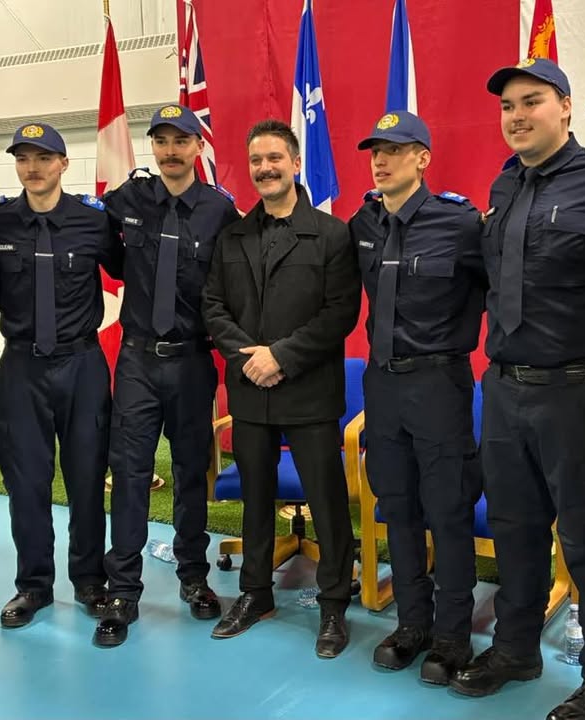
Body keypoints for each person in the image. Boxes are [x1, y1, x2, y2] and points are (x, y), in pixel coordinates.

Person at [448, 58, 585, 720]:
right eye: (507, 106)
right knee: (515, 530)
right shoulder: (505, 184)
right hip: (504, 389)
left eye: (531, 102)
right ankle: (515, 650)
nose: (517, 115)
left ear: (565, 107)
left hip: (575, 394)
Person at [202, 119, 360, 658]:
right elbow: (213, 306)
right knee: (255, 500)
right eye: (256, 160)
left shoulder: (332, 233)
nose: (264, 168)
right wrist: (249, 358)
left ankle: (334, 604)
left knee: (327, 502)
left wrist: (281, 358)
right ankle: (255, 594)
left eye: (274, 158)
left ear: (295, 163)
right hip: (250, 389)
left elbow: (340, 312)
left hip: (309, 391)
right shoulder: (233, 236)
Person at [94, 105, 240, 648]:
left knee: (190, 471)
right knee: (130, 473)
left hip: (191, 360)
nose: (171, 151)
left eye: (181, 141)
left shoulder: (220, 210)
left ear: (199, 147)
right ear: (152, 147)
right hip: (137, 360)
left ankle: (194, 576)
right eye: (161, 141)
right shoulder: (127, 200)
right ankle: (123, 590)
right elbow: (99, 248)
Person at [347, 110, 485, 684]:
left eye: (395, 150)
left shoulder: (461, 223)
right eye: (375, 151)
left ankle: (452, 636)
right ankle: (412, 624)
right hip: (383, 384)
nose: (380, 161)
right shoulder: (363, 222)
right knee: (397, 506)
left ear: (423, 158)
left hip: (438, 383)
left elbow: (499, 289)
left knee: (448, 511)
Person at [0, 122, 116, 630]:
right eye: (23, 158)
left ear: (63, 164)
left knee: (86, 478)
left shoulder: (93, 220)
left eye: (43, 157)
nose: (32, 167)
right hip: (22, 367)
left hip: (82, 364)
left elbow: (125, 269)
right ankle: (33, 585)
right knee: (26, 481)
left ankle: (90, 580)